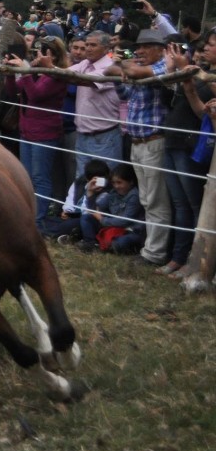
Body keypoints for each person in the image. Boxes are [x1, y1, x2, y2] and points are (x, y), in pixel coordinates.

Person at [104, 28, 172, 266]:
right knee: (146, 199)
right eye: (138, 48)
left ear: (159, 49)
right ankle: (150, 246)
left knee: (156, 200)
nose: (139, 52)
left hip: (154, 142)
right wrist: (126, 71)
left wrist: (127, 68)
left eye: (145, 48)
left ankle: (155, 253)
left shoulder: (165, 66)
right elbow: (114, 75)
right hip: (137, 141)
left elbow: (125, 69)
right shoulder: (141, 68)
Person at [154, 30, 216, 276]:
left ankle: (195, 259)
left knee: (193, 204)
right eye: (206, 44)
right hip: (173, 138)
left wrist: (188, 71)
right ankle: (178, 257)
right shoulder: (198, 70)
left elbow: (201, 113)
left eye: (211, 44)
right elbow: (174, 97)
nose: (207, 48)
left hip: (192, 145)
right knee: (179, 203)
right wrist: (178, 72)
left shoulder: (205, 75)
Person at [2, 36, 70, 235]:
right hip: (27, 129)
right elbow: (14, 90)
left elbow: (35, 95)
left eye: (43, 51)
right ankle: (27, 217)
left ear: (53, 55)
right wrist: (10, 72)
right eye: (37, 51)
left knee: (40, 178)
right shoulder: (37, 71)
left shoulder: (57, 75)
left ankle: (37, 222)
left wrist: (25, 70)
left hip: (45, 132)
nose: (38, 55)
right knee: (27, 177)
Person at [69, 30, 123, 182]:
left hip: (104, 137)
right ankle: (83, 206)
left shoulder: (110, 66)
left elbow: (86, 81)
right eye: (86, 44)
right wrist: (50, 68)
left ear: (106, 48)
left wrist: (53, 70)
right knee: (82, 180)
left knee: (105, 181)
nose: (88, 48)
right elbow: (65, 74)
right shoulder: (85, 63)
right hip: (82, 135)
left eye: (93, 45)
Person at [76, 163, 146, 254]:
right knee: (86, 218)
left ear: (131, 182)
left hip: (130, 231)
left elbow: (124, 221)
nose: (116, 186)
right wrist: (90, 192)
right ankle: (90, 244)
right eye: (113, 183)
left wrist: (102, 219)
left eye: (119, 182)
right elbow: (93, 210)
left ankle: (106, 246)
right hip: (112, 227)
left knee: (121, 242)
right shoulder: (113, 193)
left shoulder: (135, 196)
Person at [49, 159, 111, 242]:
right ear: (87, 179)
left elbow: (90, 212)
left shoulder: (108, 191)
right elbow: (70, 198)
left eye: (101, 179)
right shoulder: (79, 182)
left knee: (71, 224)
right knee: (51, 220)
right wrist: (67, 210)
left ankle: (48, 234)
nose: (98, 182)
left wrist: (90, 192)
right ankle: (64, 235)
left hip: (89, 220)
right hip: (73, 215)